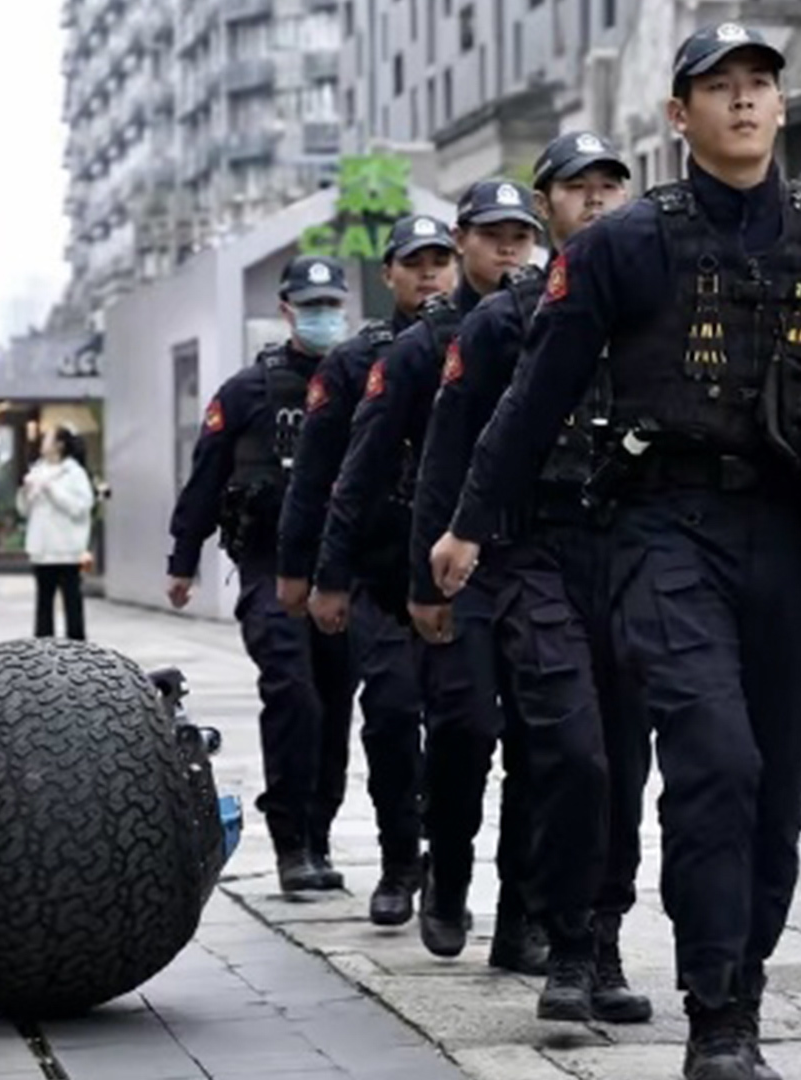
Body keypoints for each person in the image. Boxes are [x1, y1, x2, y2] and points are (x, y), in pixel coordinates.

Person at [428, 24, 801, 1079]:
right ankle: (718, 1019)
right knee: (713, 763)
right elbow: (531, 403)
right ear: (678, 116)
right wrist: (464, 528)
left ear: (780, 104)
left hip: (790, 542)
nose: (743, 102)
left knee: (778, 790)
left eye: (759, 85)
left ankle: (746, 981)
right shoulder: (620, 248)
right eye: (717, 87)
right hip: (662, 531)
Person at [410, 132, 653, 1023]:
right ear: (549, 204)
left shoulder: (651, 304)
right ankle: (561, 941)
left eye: (609, 186)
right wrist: (433, 575)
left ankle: (605, 942)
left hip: (631, 554)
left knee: (626, 761)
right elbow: (449, 455)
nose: (594, 201)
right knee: (569, 753)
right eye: (576, 188)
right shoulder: (503, 320)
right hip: (531, 557)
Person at [316, 178, 548, 976]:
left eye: (522, 234)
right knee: (463, 730)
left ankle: (523, 913)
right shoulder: (418, 350)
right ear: (464, 244)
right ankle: (444, 875)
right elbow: (363, 466)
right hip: (453, 570)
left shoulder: (554, 325)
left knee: (541, 740)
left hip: (540, 560)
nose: (510, 249)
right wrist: (338, 575)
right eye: (493, 236)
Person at [276, 213, 457, 926]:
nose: (429, 273)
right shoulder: (354, 363)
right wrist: (318, 573)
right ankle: (397, 860)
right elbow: (321, 476)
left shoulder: (487, 338)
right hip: (382, 575)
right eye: (414, 262)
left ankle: (450, 856)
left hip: (465, 575)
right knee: (387, 715)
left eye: (439, 259)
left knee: (463, 726)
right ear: (389, 275)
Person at [167, 255, 359, 896]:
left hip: (340, 571)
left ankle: (320, 831)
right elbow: (207, 475)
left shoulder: (363, 380)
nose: (324, 316)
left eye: (333, 304)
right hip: (267, 566)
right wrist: (183, 557)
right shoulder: (246, 391)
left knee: (336, 704)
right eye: (312, 306)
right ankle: (290, 841)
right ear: (286, 310)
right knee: (293, 691)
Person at [20, 426, 97, 640]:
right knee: (43, 602)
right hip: (41, 548)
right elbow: (25, 510)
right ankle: (42, 650)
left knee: (72, 601)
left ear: (59, 445)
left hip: (68, 549)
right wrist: (27, 492)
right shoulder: (37, 470)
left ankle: (77, 649)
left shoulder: (74, 473)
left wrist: (51, 490)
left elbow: (80, 507)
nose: (43, 443)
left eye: (48, 439)